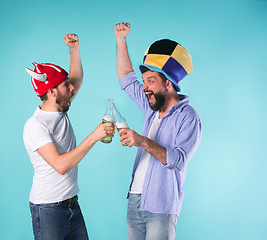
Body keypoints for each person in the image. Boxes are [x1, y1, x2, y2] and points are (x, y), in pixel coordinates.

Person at [114, 22, 202, 240]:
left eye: (150, 81)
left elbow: (178, 160)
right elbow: (127, 78)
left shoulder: (189, 117)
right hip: (135, 199)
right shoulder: (151, 108)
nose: (144, 87)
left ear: (168, 83)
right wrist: (121, 39)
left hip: (161, 206)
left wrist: (143, 141)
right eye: (144, 81)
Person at [23, 33, 114, 240]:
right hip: (48, 209)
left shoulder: (61, 109)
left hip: (72, 204)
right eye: (65, 85)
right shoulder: (35, 125)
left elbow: (77, 79)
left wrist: (74, 49)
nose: (72, 87)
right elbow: (61, 166)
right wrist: (94, 136)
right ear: (52, 91)